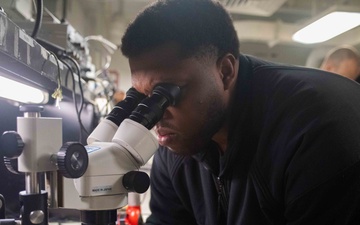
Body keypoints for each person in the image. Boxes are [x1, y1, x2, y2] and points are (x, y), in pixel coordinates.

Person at [120, 0, 360, 224]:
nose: (157, 116)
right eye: (144, 97)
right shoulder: (176, 145)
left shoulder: (314, 130)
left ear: (225, 71)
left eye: (166, 94)